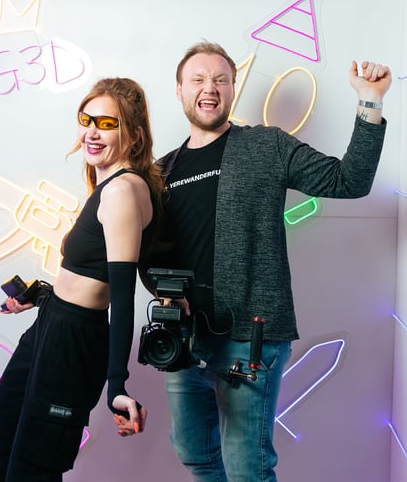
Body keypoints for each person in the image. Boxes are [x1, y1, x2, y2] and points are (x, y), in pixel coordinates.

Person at [128, 41, 391, 481]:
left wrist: (370, 101)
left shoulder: (266, 145)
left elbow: (349, 180)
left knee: (247, 467)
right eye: (198, 79)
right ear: (179, 90)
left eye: (221, 80)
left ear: (233, 89)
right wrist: (163, 295)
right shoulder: (161, 171)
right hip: (184, 340)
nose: (210, 88)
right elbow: (146, 251)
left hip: (250, 339)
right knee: (194, 453)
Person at [0, 77, 160, 481]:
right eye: (86, 119)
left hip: (72, 342)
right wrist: (42, 295)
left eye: (107, 124)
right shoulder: (107, 185)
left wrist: (117, 385)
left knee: (33, 467)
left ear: (133, 134)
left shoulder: (122, 192)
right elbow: (88, 273)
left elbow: (122, 298)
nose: (91, 132)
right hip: (51, 323)